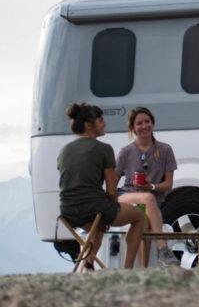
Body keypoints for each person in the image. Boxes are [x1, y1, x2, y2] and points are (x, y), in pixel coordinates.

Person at [57, 101, 144, 269]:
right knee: (139, 216)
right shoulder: (103, 149)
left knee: (98, 225)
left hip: (67, 211)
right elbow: (111, 190)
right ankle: (128, 269)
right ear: (88, 125)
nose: (105, 124)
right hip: (93, 208)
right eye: (100, 120)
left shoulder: (64, 150)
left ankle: (88, 265)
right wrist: (112, 205)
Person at [115, 106, 179, 267]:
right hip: (127, 196)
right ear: (132, 128)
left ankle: (142, 270)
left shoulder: (165, 150)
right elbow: (112, 184)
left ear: (153, 123)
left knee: (146, 221)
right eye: (139, 123)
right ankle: (162, 248)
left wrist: (152, 186)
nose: (144, 126)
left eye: (147, 121)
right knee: (148, 199)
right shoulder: (126, 152)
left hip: (151, 203)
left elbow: (168, 185)